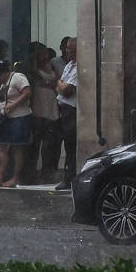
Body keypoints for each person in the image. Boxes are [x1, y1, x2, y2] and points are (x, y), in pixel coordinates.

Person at [0, 55, 34, 186]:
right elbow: (5, 97)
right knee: (2, 147)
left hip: (19, 117)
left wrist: (13, 105)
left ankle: (16, 177)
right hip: (6, 117)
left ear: (4, 73)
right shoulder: (4, 83)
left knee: (17, 148)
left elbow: (27, 93)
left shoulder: (18, 78)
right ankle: (0, 177)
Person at [25, 42, 59, 182]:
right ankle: (31, 173)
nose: (46, 56)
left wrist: (50, 84)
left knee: (49, 143)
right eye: (43, 53)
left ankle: (47, 172)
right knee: (35, 142)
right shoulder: (33, 68)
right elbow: (38, 82)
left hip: (51, 103)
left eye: (47, 53)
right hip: (39, 104)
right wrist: (50, 84)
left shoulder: (51, 66)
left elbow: (56, 81)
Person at [51, 35, 79, 177]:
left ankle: (70, 177)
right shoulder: (69, 65)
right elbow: (59, 85)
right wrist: (60, 85)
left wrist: (60, 84)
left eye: (70, 49)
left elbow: (67, 90)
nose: (66, 51)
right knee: (64, 143)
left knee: (71, 144)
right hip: (62, 107)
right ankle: (67, 176)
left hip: (71, 109)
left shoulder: (78, 67)